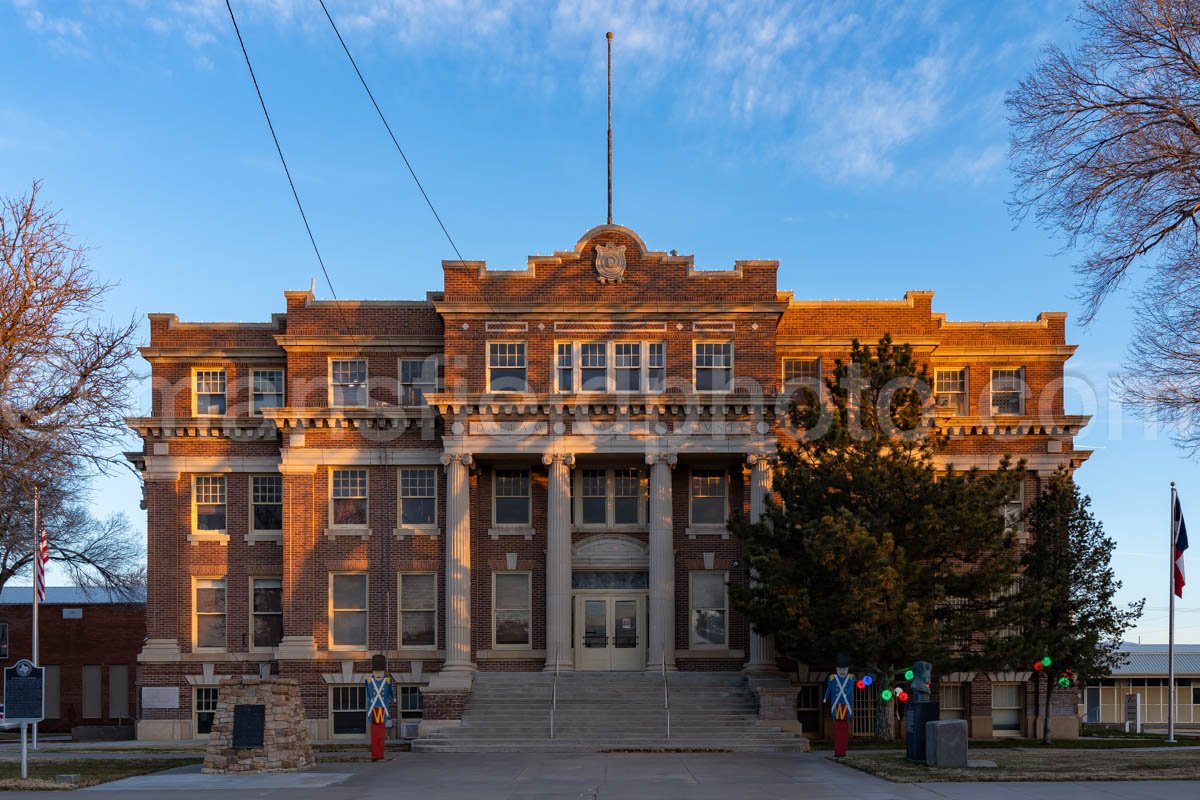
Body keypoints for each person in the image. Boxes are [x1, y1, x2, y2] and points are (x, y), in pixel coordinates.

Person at [823, 652, 854, 757]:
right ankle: (837, 750)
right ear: (836, 668)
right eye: (840, 668)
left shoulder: (851, 677)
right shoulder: (832, 677)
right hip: (835, 705)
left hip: (846, 705)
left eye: (844, 668)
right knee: (837, 727)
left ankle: (842, 751)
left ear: (847, 668)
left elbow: (850, 688)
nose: (842, 671)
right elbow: (829, 689)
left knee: (844, 727)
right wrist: (825, 698)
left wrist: (847, 693)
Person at [365, 654, 393, 761]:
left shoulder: (387, 681)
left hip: (382, 709)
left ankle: (379, 754)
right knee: (375, 733)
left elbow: (390, 693)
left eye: (380, 672)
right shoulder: (368, 681)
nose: (378, 674)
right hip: (374, 709)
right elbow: (369, 693)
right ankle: (375, 754)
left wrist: (393, 698)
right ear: (373, 672)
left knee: (381, 733)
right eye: (376, 672)